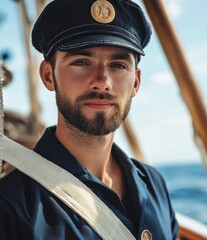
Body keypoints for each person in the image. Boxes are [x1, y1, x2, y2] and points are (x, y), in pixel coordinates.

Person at [0, 0, 178, 239]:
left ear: (135, 82)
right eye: (81, 62)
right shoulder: (10, 206)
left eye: (118, 65)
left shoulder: (154, 185)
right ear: (48, 75)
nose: (102, 80)